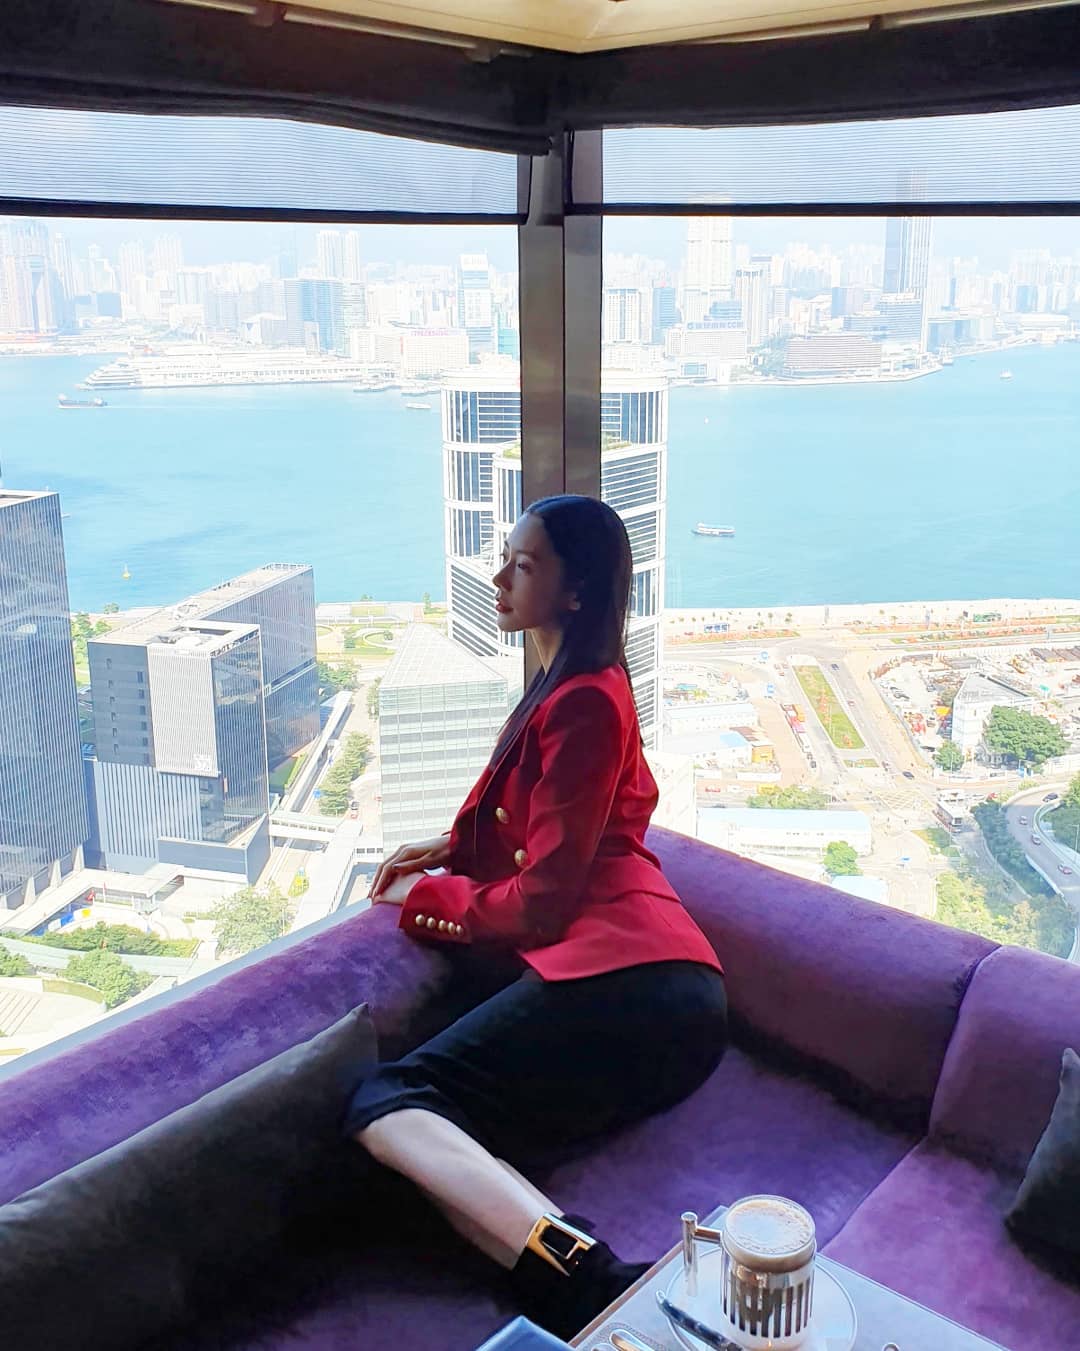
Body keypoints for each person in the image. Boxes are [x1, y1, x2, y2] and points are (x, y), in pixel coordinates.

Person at [342, 494, 726, 1340]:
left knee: (386, 1096)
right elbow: (564, 824)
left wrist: (427, 897)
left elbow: (543, 900)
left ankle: (606, 1277)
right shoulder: (583, 684)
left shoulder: (583, 699)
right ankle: (583, 1301)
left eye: (522, 564)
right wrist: (451, 846)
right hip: (660, 992)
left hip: (637, 978)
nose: (498, 578)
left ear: (576, 591)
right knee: (431, 1158)